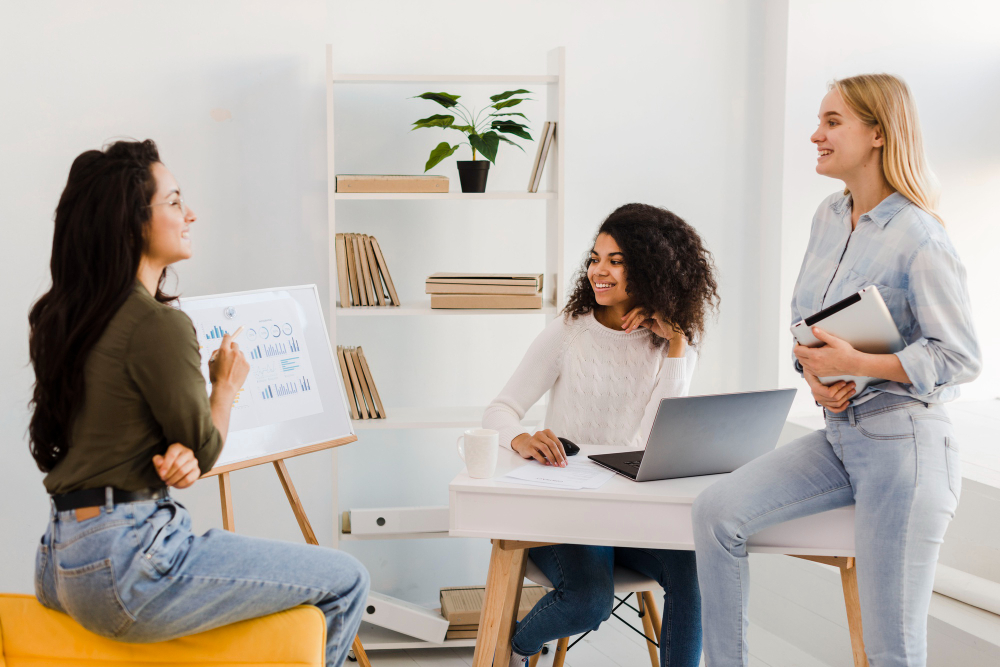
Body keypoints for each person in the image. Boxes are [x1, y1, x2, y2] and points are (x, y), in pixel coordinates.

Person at [29, 140, 369, 666]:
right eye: (173, 202)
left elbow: (134, 438)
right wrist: (225, 387)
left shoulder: (67, 319)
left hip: (60, 558)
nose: (190, 214)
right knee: (347, 580)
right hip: (128, 561)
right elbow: (205, 448)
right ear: (132, 223)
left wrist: (177, 454)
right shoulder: (155, 324)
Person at [692, 74, 981, 666]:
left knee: (891, 648)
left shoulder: (920, 237)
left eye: (832, 122)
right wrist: (815, 374)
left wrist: (858, 363)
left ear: (878, 134)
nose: (815, 135)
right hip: (840, 434)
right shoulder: (829, 215)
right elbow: (806, 322)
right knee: (717, 511)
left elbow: (960, 357)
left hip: (906, 447)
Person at [483, 203, 720, 667]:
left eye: (616, 261)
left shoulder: (673, 345)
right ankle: (517, 648)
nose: (598, 271)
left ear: (651, 268)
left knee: (695, 575)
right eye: (595, 259)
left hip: (629, 509)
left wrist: (676, 345)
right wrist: (521, 439)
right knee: (589, 602)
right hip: (567, 511)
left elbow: (653, 441)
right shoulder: (570, 332)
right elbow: (499, 410)